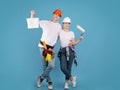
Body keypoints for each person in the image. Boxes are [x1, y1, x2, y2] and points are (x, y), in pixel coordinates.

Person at [28, 9, 62, 90]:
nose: (57, 16)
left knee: (51, 65)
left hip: (50, 49)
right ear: (53, 14)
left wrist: (53, 46)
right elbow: (33, 24)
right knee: (45, 65)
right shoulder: (45, 22)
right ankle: (49, 81)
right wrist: (32, 14)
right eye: (56, 14)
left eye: (59, 15)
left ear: (59, 17)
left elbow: (58, 37)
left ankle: (41, 78)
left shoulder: (59, 26)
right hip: (42, 46)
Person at [58, 17, 83, 90]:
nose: (66, 24)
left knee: (69, 68)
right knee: (63, 68)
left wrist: (79, 40)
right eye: (65, 23)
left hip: (71, 51)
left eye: (68, 23)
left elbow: (74, 43)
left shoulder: (71, 33)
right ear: (63, 23)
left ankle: (66, 82)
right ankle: (72, 78)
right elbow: (54, 38)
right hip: (62, 51)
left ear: (69, 24)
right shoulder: (60, 31)